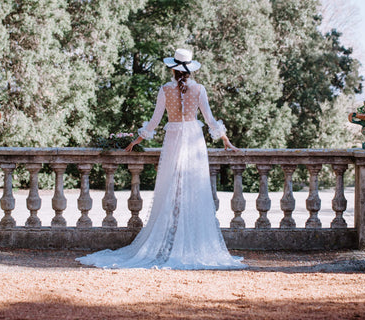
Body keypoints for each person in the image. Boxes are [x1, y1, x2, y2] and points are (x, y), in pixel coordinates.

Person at [76, 48, 246, 270]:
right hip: (194, 138)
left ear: (173, 69)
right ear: (189, 69)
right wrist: (225, 139)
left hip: (174, 138)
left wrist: (137, 140)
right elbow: (210, 119)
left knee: (171, 188)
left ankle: (171, 240)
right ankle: (189, 243)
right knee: (194, 189)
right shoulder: (199, 89)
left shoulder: (165, 90)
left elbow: (154, 121)